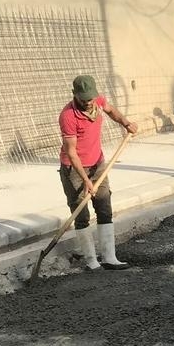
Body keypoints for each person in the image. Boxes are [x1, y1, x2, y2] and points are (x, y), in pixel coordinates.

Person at [59, 75, 137, 271]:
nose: (88, 102)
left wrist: (126, 123)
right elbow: (71, 152)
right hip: (74, 169)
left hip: (97, 164)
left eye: (91, 98)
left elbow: (111, 110)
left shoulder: (98, 101)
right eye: (84, 99)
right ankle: (91, 261)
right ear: (75, 95)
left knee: (104, 208)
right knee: (81, 214)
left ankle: (109, 257)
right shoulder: (68, 116)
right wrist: (86, 180)